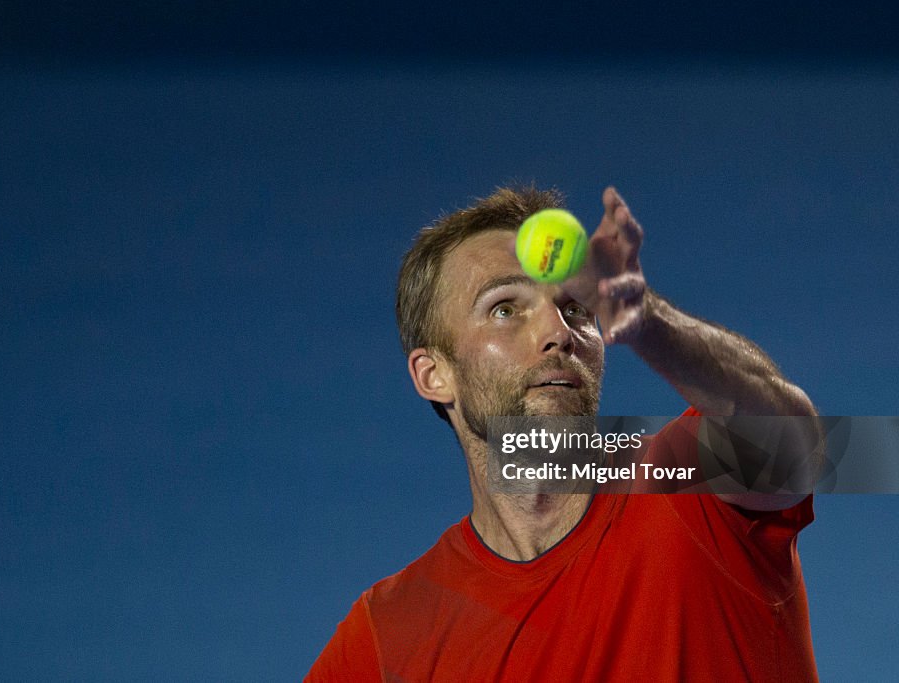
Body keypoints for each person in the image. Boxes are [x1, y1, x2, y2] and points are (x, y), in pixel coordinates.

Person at [307, 186, 820, 681]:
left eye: (575, 307)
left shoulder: (686, 487)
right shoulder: (392, 631)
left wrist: (645, 319)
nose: (557, 332)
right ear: (432, 375)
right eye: (504, 309)